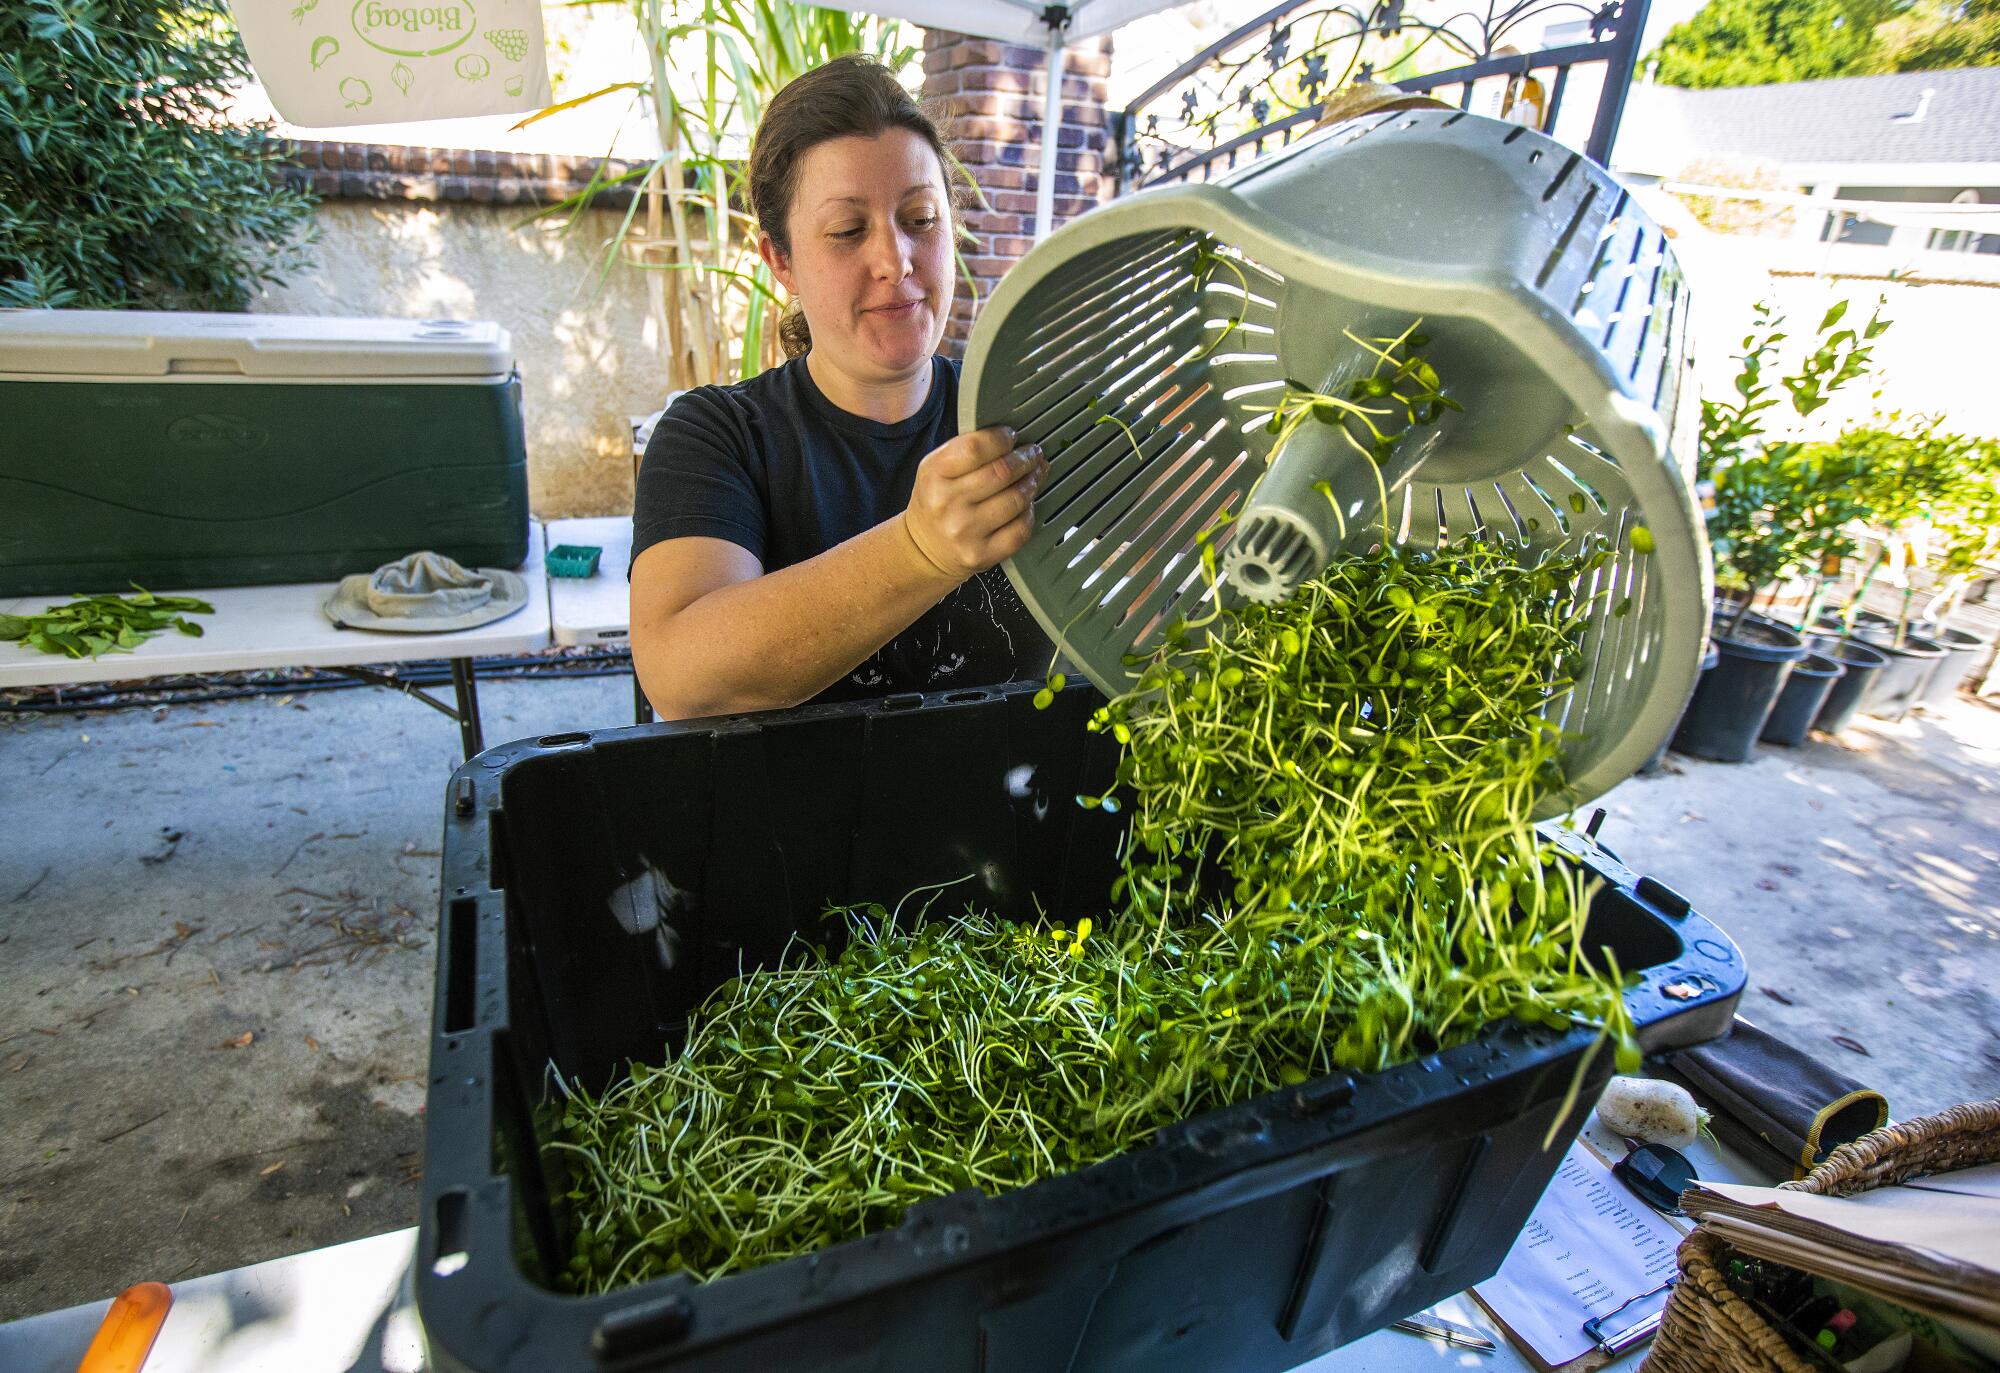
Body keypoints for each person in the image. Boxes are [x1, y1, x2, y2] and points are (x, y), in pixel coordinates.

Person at [629, 54, 1053, 720]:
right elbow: (681, 674)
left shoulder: (1022, 412)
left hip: (1018, 813)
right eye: (848, 231)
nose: (895, 259)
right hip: (796, 824)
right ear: (781, 260)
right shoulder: (720, 436)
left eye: (920, 219)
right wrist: (920, 548)